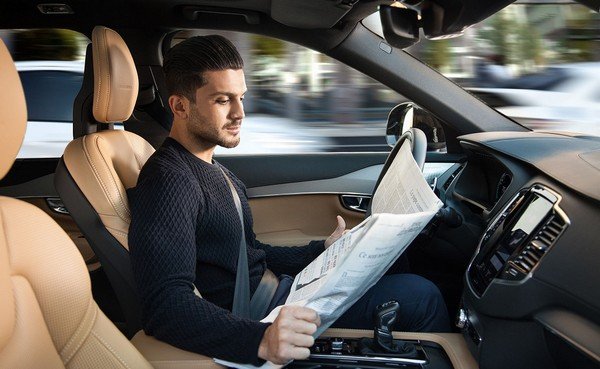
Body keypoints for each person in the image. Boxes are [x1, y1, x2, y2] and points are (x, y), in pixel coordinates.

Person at [128, 35, 449, 366]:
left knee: (398, 262)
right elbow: (164, 304)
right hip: (258, 315)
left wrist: (321, 251)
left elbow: (247, 255)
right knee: (422, 297)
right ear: (180, 106)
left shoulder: (212, 167)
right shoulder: (169, 179)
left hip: (277, 294)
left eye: (241, 97)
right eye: (223, 100)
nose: (240, 113)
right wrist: (262, 339)